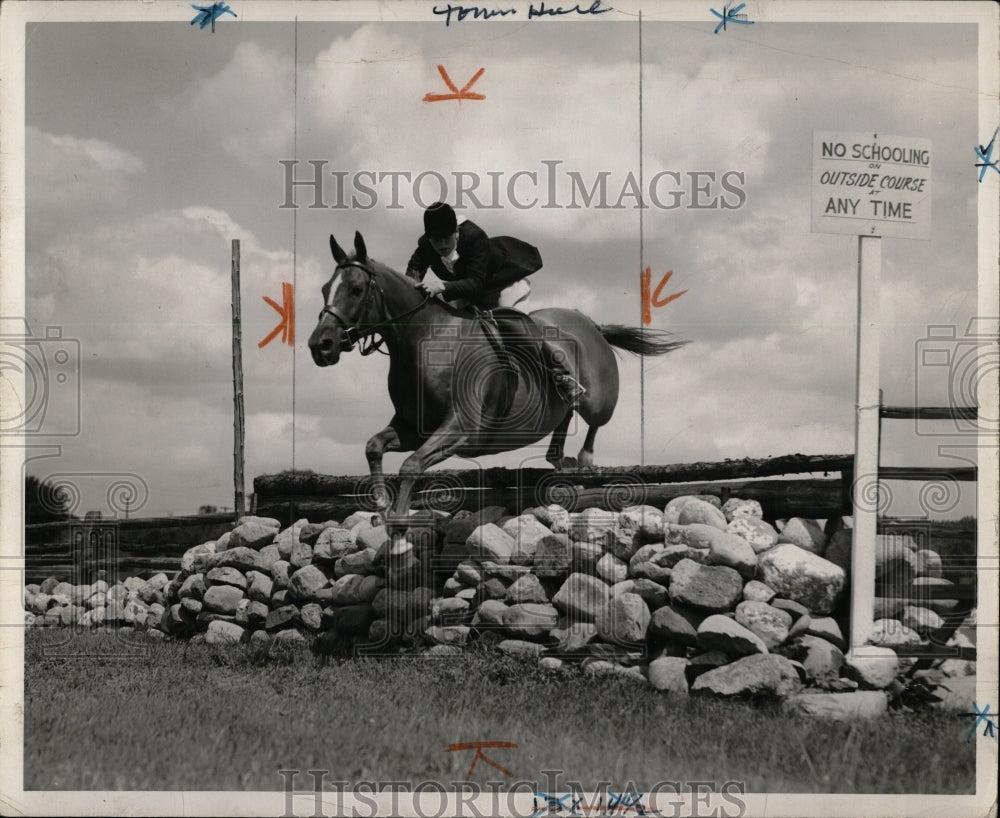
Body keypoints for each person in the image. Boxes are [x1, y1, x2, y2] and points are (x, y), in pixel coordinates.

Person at [405, 202, 586, 406]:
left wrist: (441, 287)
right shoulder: (426, 245)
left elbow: (475, 284)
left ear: (456, 231)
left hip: (503, 283)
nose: (442, 245)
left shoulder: (474, 236)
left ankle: (563, 377)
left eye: (446, 238)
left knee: (513, 325)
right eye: (435, 240)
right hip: (468, 290)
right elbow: (412, 276)